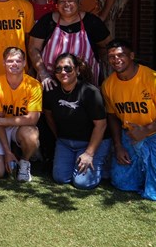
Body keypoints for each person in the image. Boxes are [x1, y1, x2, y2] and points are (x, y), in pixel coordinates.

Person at [102, 39, 156, 202]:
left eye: (121, 55)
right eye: (111, 56)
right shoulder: (108, 85)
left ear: (131, 56)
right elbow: (112, 115)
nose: (116, 59)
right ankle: (150, 169)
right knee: (122, 183)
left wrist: (146, 130)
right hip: (131, 136)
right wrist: (118, 146)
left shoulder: (154, 78)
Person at [29, 0, 111, 90]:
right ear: (57, 3)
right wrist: (43, 73)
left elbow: (107, 47)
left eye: (71, 0)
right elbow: (33, 48)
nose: (66, 4)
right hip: (50, 85)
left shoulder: (92, 22)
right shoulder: (46, 21)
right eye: (62, 1)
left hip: (85, 88)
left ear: (79, 2)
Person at [43, 53, 110, 190]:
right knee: (60, 178)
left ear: (77, 70)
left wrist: (89, 153)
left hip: (90, 142)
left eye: (68, 68)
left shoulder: (90, 92)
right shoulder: (51, 92)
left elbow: (101, 125)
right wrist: (59, 138)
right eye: (58, 69)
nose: (63, 72)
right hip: (66, 142)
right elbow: (48, 114)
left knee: (82, 183)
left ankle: (102, 162)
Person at [0, 47, 42, 182]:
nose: (14, 64)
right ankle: (12, 151)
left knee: (31, 135)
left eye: (18, 61)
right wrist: (7, 152)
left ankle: (24, 161)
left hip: (19, 126)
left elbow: (32, 119)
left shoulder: (34, 85)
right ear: (4, 63)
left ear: (24, 63)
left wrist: (3, 121)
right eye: (10, 61)